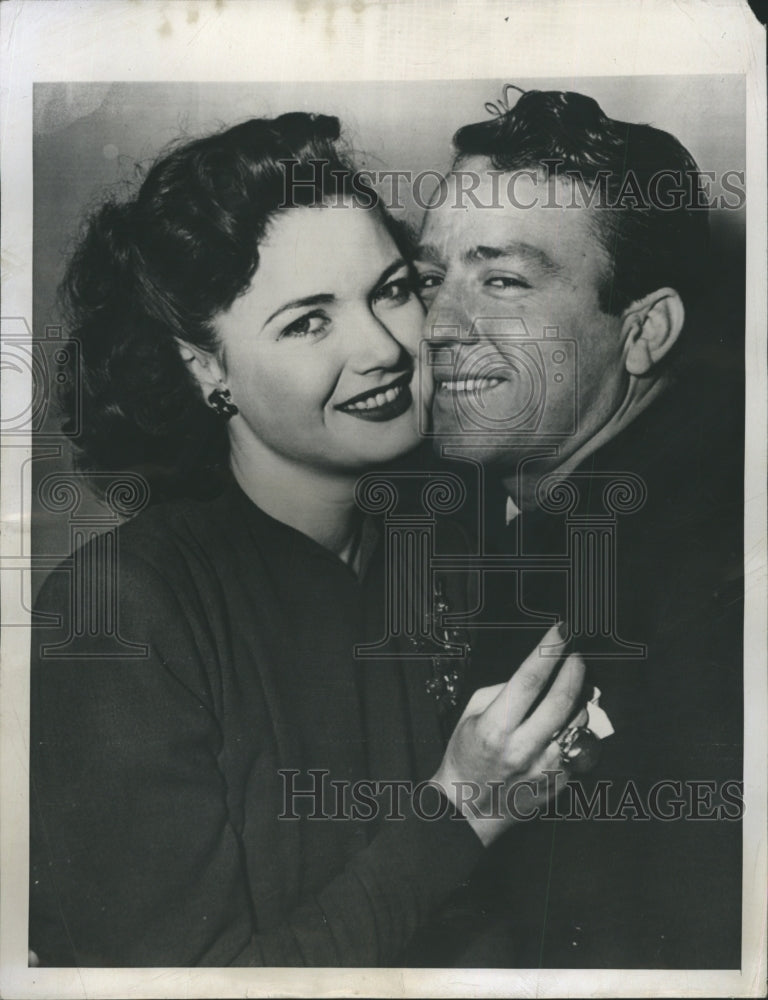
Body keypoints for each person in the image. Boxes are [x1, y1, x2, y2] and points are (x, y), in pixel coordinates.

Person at [29, 112, 590, 967]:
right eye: (306, 322)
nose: (384, 350)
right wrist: (459, 811)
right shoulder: (120, 608)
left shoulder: (459, 530)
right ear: (203, 366)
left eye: (393, 290)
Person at [415, 88, 744, 967]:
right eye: (430, 279)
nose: (438, 327)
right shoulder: (510, 495)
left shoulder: (705, 584)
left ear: (644, 331)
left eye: (503, 281)